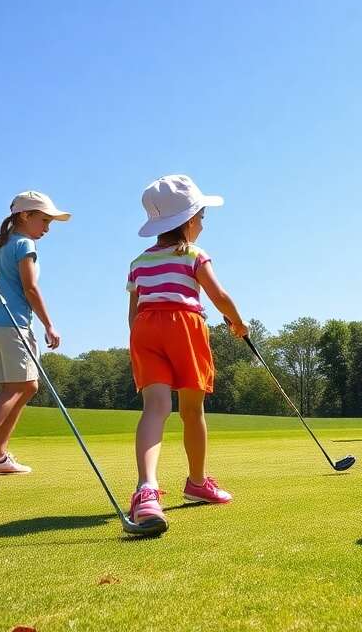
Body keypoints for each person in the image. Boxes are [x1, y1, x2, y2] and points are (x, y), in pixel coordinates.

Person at [125, 174, 248, 533]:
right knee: (192, 410)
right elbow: (219, 295)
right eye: (202, 218)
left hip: (145, 329)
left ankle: (146, 489)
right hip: (185, 326)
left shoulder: (137, 262)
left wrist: (140, 338)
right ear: (190, 221)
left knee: (155, 408)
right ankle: (196, 481)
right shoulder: (195, 254)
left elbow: (132, 313)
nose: (203, 224)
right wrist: (239, 323)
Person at [0, 191, 70, 481]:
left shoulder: (2, 246)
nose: (47, 227)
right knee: (15, 389)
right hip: (13, 324)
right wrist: (49, 324)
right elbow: (30, 289)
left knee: (27, 386)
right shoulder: (25, 244)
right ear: (24, 216)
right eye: (43, 220)